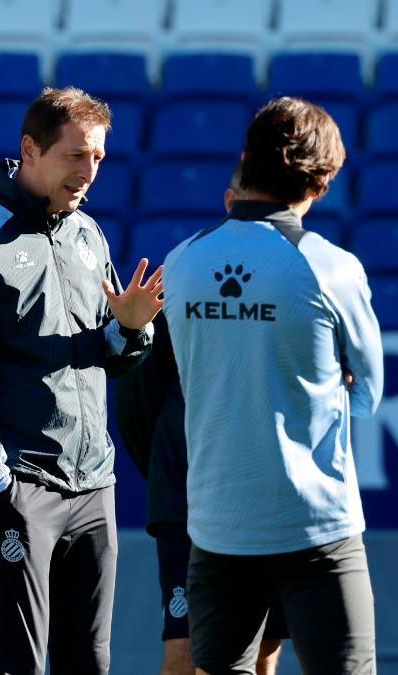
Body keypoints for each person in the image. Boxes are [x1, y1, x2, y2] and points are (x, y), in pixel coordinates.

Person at [0, 86, 162, 675]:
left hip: (93, 481)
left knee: (91, 662)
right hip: (19, 479)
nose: (88, 173)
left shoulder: (88, 234)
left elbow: (104, 353)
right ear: (29, 149)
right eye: (74, 156)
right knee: (16, 663)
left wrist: (130, 331)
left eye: (98, 159)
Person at [163, 97, 382, 675]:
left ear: (246, 159)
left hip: (217, 522)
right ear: (323, 180)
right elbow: (369, 392)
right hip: (316, 527)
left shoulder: (182, 261)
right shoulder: (330, 266)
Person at [116, 165, 286, 675]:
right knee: (185, 651)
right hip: (190, 500)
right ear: (229, 201)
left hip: (271, 497)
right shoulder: (185, 274)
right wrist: (173, 470)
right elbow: (137, 398)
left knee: (263, 652)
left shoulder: (300, 280)